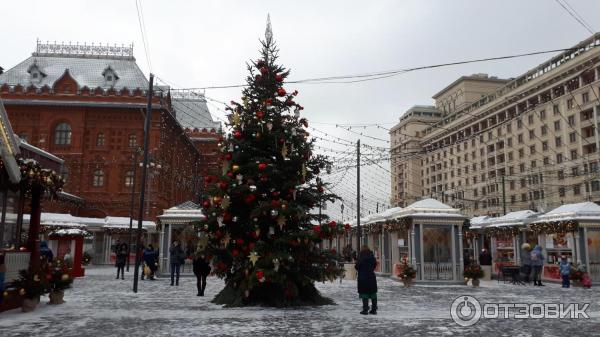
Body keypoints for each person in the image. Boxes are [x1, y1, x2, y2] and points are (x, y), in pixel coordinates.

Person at [355, 245, 377, 315]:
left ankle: (365, 310)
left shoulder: (361, 257)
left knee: (364, 293)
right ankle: (374, 309)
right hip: (371, 276)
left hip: (363, 277)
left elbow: (357, 266)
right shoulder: (372, 256)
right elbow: (374, 264)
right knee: (373, 293)